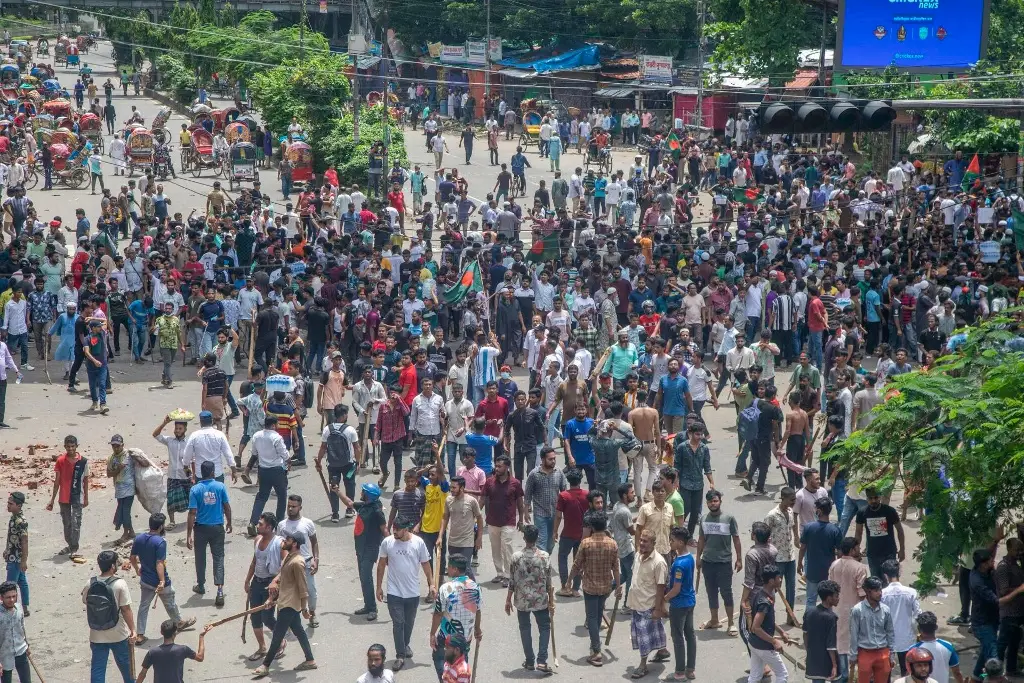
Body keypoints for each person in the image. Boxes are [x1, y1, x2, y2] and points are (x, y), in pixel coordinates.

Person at [252, 530, 318, 677]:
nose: (284, 541)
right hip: (285, 602)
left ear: (294, 543)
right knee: (299, 632)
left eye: (287, 539)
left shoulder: (297, 562)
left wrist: (304, 608)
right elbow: (283, 579)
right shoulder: (290, 558)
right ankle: (310, 660)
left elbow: (303, 587)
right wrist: (271, 598)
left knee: (277, 635)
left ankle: (265, 665)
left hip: (290, 604)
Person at [377, 515, 436, 671]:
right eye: (394, 528)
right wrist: (378, 587)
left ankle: (405, 644)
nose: (394, 531)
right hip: (394, 592)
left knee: (408, 624)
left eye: (397, 529)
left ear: (406, 529)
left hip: (412, 592)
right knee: (398, 623)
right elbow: (381, 565)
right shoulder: (387, 542)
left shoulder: (418, 543)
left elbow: (425, 564)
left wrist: (431, 584)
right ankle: (400, 655)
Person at [129, 513, 196, 644]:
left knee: (144, 606)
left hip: (145, 580)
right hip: (159, 581)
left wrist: (138, 570)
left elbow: (132, 558)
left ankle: (140, 634)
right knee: (170, 601)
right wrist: (162, 581)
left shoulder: (139, 538)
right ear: (160, 527)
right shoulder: (160, 542)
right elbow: (159, 563)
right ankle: (179, 622)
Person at [567, 510, 621, 667]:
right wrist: (617, 587)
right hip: (606, 587)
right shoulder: (612, 544)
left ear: (591, 526)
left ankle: (596, 651)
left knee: (592, 617)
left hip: (590, 587)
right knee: (597, 616)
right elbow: (616, 568)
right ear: (605, 526)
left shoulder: (586, 543)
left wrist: (569, 581)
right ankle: (594, 645)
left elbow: (576, 565)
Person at [83, 550, 136, 683]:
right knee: (126, 667)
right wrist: (133, 630)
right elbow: (126, 609)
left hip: (96, 633)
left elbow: (85, 600)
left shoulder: (90, 583)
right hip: (118, 634)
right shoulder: (120, 584)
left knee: (98, 669)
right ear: (113, 566)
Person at [506, 524, 553, 673]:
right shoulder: (544, 557)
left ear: (524, 538)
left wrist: (508, 600)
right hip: (540, 600)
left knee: (525, 629)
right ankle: (542, 660)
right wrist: (551, 601)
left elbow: (512, 581)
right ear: (537, 537)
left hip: (522, 600)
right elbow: (549, 582)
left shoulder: (516, 557)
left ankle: (530, 661)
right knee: (545, 628)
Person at [695, 489, 742, 634]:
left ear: (720, 501)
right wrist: (698, 557)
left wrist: (739, 559)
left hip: (724, 562)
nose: (713, 504)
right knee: (711, 591)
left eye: (715, 501)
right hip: (708, 562)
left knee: (726, 592)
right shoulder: (703, 519)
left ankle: (731, 623)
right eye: (710, 501)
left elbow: (736, 538)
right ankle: (714, 620)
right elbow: (701, 539)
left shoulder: (729, 518)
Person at [186, 460, 231, 607]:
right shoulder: (220, 486)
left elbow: (192, 512)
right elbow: (226, 506)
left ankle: (201, 585)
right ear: (213, 472)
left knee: (200, 557)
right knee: (218, 558)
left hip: (201, 528)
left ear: (201, 473)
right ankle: (219, 590)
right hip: (217, 527)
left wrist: (188, 534)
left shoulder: (195, 489)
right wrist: (229, 522)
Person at [430, 553, 482, 680]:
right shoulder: (475, 587)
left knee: (439, 657)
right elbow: (478, 610)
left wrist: (432, 633)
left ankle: (447, 679)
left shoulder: (446, 588)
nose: (448, 569)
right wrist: (477, 629)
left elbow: (438, 613)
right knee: (462, 660)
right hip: (466, 636)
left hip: (447, 636)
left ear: (455, 569)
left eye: (449, 567)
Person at [627, 529, 671, 677]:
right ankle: (662, 650)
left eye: (645, 541)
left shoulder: (659, 563)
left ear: (653, 543)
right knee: (656, 630)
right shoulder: (637, 555)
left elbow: (661, 588)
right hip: (636, 602)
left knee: (643, 638)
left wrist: (658, 609)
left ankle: (643, 665)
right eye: (641, 540)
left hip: (648, 605)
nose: (642, 543)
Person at [276, 495, 320, 629]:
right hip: (287, 564)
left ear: (300, 507)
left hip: (305, 563)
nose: (290, 509)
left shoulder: (307, 523)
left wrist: (316, 560)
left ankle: (312, 613)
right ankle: (286, 621)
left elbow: (314, 542)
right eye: (289, 506)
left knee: (311, 592)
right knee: (287, 594)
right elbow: (279, 544)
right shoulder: (281, 525)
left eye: (293, 506)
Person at [745, 564, 795, 683]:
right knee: (782, 675)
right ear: (772, 581)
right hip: (764, 646)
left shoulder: (762, 594)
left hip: (753, 643)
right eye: (779, 578)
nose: (781, 579)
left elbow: (769, 621)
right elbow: (756, 627)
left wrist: (782, 632)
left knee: (755, 677)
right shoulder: (765, 602)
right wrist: (774, 641)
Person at [243, 512, 282, 660]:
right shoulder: (257, 540)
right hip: (256, 583)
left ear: (269, 527)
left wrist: (275, 581)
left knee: (267, 617)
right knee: (255, 617)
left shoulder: (279, 543)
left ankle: (280, 642)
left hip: (270, 585)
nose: (258, 526)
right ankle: (262, 647)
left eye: (261, 524)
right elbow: (254, 561)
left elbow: (285, 566)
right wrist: (247, 581)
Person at [481, 455, 526, 586]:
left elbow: (520, 503)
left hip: (509, 521)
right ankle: (499, 573)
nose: (497, 468)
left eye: (499, 466)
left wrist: (521, 520)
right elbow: (483, 499)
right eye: (496, 465)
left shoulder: (515, 483)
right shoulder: (489, 482)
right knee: (495, 548)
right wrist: (476, 514)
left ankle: (508, 575)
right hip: (492, 521)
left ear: (507, 467)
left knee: (507, 548)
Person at [45, 434, 89, 559]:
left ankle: (74, 548)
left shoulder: (83, 461)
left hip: (77, 497)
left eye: (72, 446)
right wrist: (52, 500)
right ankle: (70, 545)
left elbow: (86, 481)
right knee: (67, 523)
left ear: (76, 446)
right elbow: (57, 482)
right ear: (65, 446)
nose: (70, 449)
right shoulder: (60, 461)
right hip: (64, 497)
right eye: (68, 447)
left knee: (76, 523)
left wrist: (86, 497)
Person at [318, 404, 361, 521]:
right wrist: (358, 462)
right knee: (350, 486)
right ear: (344, 415)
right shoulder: (350, 430)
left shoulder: (328, 429)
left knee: (334, 487)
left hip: (332, 465)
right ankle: (349, 509)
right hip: (348, 465)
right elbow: (357, 448)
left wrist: (319, 461)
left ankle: (335, 514)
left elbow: (323, 447)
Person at [799, 497, 843, 613]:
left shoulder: (808, 527)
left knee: (811, 599)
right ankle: (828, 623)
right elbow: (840, 553)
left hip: (813, 571)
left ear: (819, 511)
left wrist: (799, 564)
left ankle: (808, 626)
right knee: (829, 600)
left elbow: (802, 547)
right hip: (828, 571)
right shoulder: (835, 530)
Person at [848, 576, 895, 683]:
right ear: (868, 592)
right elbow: (854, 634)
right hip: (865, 653)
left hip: (883, 652)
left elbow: (890, 632)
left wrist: (891, 654)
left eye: (880, 590)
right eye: (876, 590)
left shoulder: (886, 610)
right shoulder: (857, 610)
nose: (880, 593)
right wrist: (853, 655)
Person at [853, 487, 905, 580]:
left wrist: (902, 550)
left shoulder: (889, 511)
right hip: (872, 554)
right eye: (870, 498)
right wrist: (856, 551)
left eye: (876, 497)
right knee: (876, 582)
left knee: (892, 580)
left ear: (880, 497)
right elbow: (858, 532)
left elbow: (900, 530)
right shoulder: (862, 512)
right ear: (866, 499)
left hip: (889, 553)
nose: (873, 500)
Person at [135, 619, 210, 683]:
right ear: (175, 634)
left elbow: (142, 674)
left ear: (161, 633)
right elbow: (200, 657)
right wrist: (201, 636)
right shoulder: (183, 649)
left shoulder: (152, 652)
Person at [880, 559, 921, 675]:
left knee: (885, 673)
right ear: (899, 573)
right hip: (907, 638)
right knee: (907, 671)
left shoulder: (882, 594)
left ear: (885, 575)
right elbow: (918, 615)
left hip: (887, 640)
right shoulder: (911, 592)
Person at [354, 483, 387, 621]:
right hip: (360, 548)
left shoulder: (377, 511)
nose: (361, 493)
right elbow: (349, 503)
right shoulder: (364, 506)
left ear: (368, 495)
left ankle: (372, 609)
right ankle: (367, 605)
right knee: (363, 578)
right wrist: (337, 492)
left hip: (370, 549)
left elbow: (385, 530)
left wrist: (391, 549)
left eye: (363, 491)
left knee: (367, 578)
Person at [153, 415, 190, 527]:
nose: (177, 431)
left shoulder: (189, 442)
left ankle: (193, 518)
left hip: (186, 476)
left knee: (191, 499)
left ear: (185, 430)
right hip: (172, 476)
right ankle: (172, 521)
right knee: (171, 500)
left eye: (180, 429)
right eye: (176, 428)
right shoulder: (170, 441)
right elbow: (155, 434)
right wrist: (165, 423)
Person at [803, 579, 841, 683]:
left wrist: (809, 653)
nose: (838, 598)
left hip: (813, 659)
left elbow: (805, 634)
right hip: (826, 660)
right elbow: (831, 644)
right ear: (829, 598)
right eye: (836, 596)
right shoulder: (831, 617)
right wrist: (834, 665)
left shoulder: (809, 612)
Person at [911, 611, 964, 683]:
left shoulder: (913, 650)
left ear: (919, 628)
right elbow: (957, 673)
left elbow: (909, 674)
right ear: (936, 627)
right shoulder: (948, 646)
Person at [105, 434, 135, 546]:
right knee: (121, 510)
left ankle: (126, 533)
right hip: (119, 487)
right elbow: (109, 474)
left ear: (122, 445)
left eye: (118, 446)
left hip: (129, 487)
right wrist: (117, 469)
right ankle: (131, 531)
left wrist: (117, 470)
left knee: (125, 510)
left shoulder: (128, 455)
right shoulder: (111, 458)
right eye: (114, 446)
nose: (116, 448)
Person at [4, 493, 29, 616]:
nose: (8, 506)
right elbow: (12, 537)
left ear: (19, 505)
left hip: (16, 559)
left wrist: (24, 561)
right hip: (13, 555)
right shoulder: (13, 518)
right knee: (22, 582)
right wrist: (7, 550)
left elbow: (24, 542)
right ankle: (24, 608)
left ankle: (11, 609)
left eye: (10, 504)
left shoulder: (20, 521)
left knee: (10, 586)